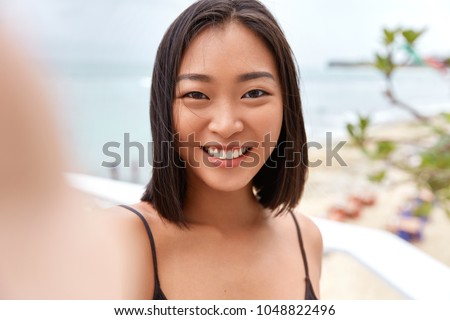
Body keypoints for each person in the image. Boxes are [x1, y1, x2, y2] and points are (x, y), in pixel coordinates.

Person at [107, 0, 323, 300]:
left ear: (286, 104)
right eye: (196, 94)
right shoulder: (121, 241)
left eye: (254, 93)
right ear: (163, 109)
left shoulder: (305, 238)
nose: (225, 125)